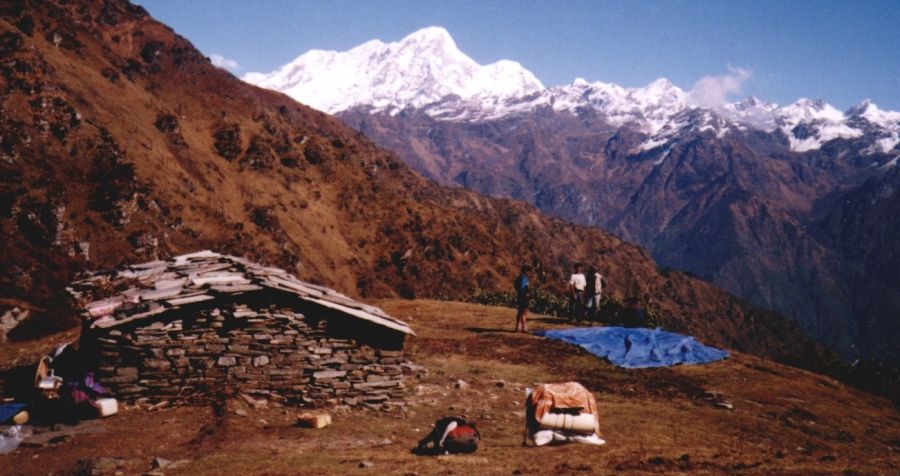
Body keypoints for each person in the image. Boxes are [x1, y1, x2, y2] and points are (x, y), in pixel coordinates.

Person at [416, 416, 481, 455]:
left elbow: (452, 425)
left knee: (436, 434)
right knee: (435, 434)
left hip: (455, 439)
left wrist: (442, 440)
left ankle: (423, 443)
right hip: (469, 445)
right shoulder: (466, 425)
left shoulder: (449, 421)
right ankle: (423, 442)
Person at [514, 265, 531, 333]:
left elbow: (516, 285)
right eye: (529, 271)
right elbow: (522, 287)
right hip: (523, 297)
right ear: (526, 271)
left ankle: (518, 327)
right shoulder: (524, 278)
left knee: (520, 311)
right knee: (524, 312)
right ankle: (524, 328)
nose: (529, 273)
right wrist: (526, 294)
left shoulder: (519, 278)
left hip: (520, 296)